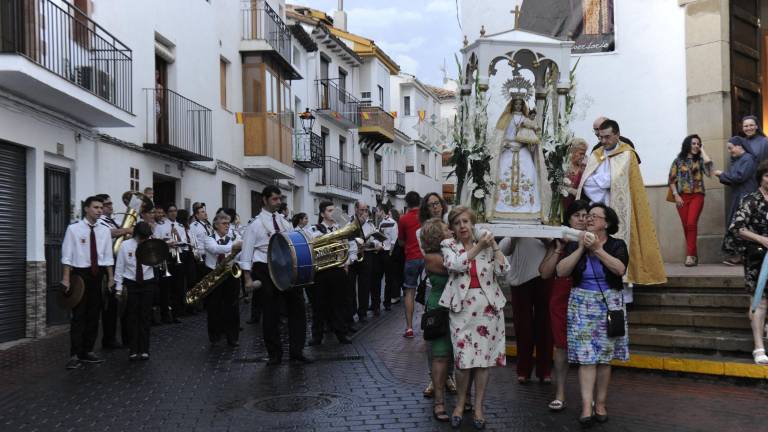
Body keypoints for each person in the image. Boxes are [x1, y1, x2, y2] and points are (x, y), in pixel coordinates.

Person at [556, 203, 629, 426]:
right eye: (588, 217)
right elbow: (561, 271)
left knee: (604, 358)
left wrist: (597, 249)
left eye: (594, 217)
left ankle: (601, 403)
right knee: (586, 358)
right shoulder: (576, 243)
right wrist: (580, 249)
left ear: (606, 223)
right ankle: (586, 407)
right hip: (581, 303)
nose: (589, 220)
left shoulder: (617, 244)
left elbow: (620, 269)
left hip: (608, 304)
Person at [439, 206, 509, 430]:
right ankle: (460, 405)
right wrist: (479, 247)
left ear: (473, 224)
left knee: (483, 362)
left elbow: (504, 271)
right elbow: (455, 264)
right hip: (461, 308)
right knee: (462, 361)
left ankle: (478, 407)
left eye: (466, 222)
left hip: (488, 308)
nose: (462, 226)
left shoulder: (487, 246)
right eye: (458, 223)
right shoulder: (448, 246)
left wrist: (494, 245)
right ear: (453, 228)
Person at [577, 119, 666, 289]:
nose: (603, 141)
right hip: (600, 209)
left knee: (619, 248)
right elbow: (587, 182)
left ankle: (626, 294)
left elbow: (616, 179)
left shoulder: (627, 154)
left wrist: (604, 183)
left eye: (607, 137)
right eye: (601, 137)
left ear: (617, 135)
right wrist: (605, 186)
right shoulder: (597, 155)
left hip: (622, 211)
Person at [240, 186, 312, 364]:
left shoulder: (285, 222)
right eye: (275, 199)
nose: (279, 202)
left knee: (297, 308)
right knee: (271, 313)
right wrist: (248, 279)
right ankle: (274, 354)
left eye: (280, 199)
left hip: (286, 268)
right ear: (264, 200)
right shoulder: (254, 225)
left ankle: (297, 352)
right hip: (264, 268)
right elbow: (246, 253)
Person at [538, 200, 590, 412]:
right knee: (560, 346)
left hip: (587, 294)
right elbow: (544, 272)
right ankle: (560, 392)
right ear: (568, 219)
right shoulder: (560, 241)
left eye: (586, 215)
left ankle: (589, 398)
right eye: (577, 215)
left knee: (588, 346)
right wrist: (558, 249)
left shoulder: (593, 240)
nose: (582, 219)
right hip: (561, 295)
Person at [61, 196, 114, 369]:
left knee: (94, 315)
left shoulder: (105, 230)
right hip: (80, 276)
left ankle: (88, 351)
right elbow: (67, 256)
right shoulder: (73, 229)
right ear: (86, 209)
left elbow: (107, 257)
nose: (99, 210)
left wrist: (111, 279)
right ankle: (75, 355)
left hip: (97, 276)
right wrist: (66, 278)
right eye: (96, 207)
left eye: (101, 207)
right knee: (79, 316)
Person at [728, 160, 768, 364]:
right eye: (767, 175)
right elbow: (738, 227)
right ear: (761, 177)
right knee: (759, 300)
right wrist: (761, 239)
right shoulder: (750, 199)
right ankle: (759, 346)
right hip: (757, 257)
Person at [417, 193, 455, 398]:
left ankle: (449, 377)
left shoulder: (450, 228)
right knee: (435, 341)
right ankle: (434, 379)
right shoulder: (425, 233)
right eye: (431, 205)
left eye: (437, 203)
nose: (435, 207)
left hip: (453, 299)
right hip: (436, 293)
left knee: (451, 342)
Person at [499, 234, 551, 384]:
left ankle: (544, 370)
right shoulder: (516, 227)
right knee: (523, 326)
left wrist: (545, 240)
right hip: (520, 279)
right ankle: (523, 369)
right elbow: (503, 249)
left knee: (545, 326)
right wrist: (514, 237)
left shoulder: (546, 226)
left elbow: (557, 248)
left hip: (545, 276)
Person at [491, 96, 549, 220]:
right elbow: (499, 139)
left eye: (520, 104)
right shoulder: (506, 119)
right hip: (508, 151)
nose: (517, 106)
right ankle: (501, 208)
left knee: (529, 175)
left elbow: (531, 138)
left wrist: (531, 142)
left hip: (523, 152)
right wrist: (505, 145)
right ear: (512, 105)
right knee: (502, 175)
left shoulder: (526, 119)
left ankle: (528, 209)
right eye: (515, 104)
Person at [420, 218, 454, 423]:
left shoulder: (454, 250)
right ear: (436, 235)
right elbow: (457, 268)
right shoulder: (432, 257)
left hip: (458, 309)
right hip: (440, 310)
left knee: (458, 358)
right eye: (446, 229)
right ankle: (439, 402)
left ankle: (464, 400)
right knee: (439, 356)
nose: (451, 231)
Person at [306, 201, 354, 346]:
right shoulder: (313, 230)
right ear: (322, 214)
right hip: (321, 272)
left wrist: (347, 264)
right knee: (319, 305)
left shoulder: (341, 227)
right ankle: (317, 336)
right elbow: (311, 249)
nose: (333, 213)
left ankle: (341, 333)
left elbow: (349, 246)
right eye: (329, 210)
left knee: (339, 303)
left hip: (338, 270)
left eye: (334, 210)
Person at [668, 134, 713, 266]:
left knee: (691, 223)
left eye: (698, 144)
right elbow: (671, 179)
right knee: (686, 226)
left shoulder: (700, 160)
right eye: (693, 143)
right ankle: (693, 254)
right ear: (687, 144)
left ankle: (690, 256)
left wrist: (703, 150)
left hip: (697, 195)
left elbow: (709, 172)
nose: (696, 146)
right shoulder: (678, 160)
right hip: (681, 196)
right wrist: (676, 195)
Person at [114, 222, 156, 360]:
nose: (144, 240)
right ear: (136, 235)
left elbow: (156, 261)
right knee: (132, 317)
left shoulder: (151, 245)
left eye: (146, 238)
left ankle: (144, 349)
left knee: (145, 316)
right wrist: (118, 288)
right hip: (131, 283)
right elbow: (120, 267)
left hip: (147, 282)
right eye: (142, 238)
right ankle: (133, 349)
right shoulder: (126, 246)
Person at [716, 136, 758, 266]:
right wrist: (723, 176)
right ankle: (739, 256)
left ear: (739, 146)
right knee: (739, 225)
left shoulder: (748, 159)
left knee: (740, 226)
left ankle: (741, 256)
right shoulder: (739, 160)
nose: (730, 151)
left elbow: (739, 177)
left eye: (731, 148)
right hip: (739, 196)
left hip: (745, 197)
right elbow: (733, 179)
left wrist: (722, 174)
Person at [96, 193, 130, 349]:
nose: (111, 206)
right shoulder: (100, 222)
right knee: (108, 305)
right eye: (107, 204)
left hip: (118, 264)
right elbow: (110, 234)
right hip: (104, 268)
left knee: (116, 304)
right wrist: (127, 230)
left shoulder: (114, 221)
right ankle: (108, 340)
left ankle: (114, 337)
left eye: (110, 203)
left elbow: (122, 233)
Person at [203, 213, 242, 347]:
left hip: (231, 273)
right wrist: (234, 247)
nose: (227, 226)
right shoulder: (209, 238)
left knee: (232, 306)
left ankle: (233, 337)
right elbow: (215, 249)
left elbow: (241, 253)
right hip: (213, 273)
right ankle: (215, 336)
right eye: (224, 223)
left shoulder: (234, 237)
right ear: (216, 225)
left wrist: (237, 248)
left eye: (228, 223)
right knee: (214, 306)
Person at [154, 203, 194, 318]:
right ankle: (165, 314)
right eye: (171, 211)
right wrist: (167, 243)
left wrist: (178, 238)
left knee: (178, 286)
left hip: (178, 257)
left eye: (175, 211)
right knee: (166, 287)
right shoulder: (160, 225)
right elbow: (156, 240)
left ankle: (177, 312)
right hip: (166, 257)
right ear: (167, 213)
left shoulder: (180, 226)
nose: (173, 213)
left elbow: (185, 243)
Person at [398, 191, 423, 338]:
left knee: (409, 292)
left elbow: (401, 241)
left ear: (407, 203)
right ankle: (429, 324)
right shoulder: (426, 217)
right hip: (426, 257)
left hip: (411, 258)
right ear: (419, 202)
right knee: (427, 290)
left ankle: (409, 328)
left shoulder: (403, 219)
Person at [349, 201, 377, 322]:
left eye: (366, 210)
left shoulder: (370, 225)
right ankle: (352, 310)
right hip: (352, 257)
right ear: (355, 209)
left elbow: (377, 240)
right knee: (350, 286)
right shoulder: (349, 222)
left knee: (364, 285)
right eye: (362, 210)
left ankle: (363, 312)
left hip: (366, 255)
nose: (364, 213)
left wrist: (371, 243)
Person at [375, 205, 399, 312]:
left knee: (388, 279)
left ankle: (387, 302)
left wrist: (390, 253)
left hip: (387, 253)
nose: (376, 213)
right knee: (377, 279)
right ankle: (376, 303)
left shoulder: (392, 222)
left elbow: (394, 240)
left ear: (382, 211)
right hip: (378, 252)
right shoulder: (377, 222)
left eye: (377, 211)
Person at [190, 202, 214, 281]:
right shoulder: (194, 226)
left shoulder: (208, 226)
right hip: (201, 258)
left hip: (210, 257)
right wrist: (197, 256)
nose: (205, 213)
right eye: (202, 212)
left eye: (204, 211)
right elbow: (193, 242)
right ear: (197, 215)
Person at [563, 138, 588, 209]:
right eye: (581, 154)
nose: (583, 157)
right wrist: (571, 190)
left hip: (577, 205)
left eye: (584, 154)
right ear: (572, 151)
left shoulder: (583, 167)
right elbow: (557, 185)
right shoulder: (564, 165)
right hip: (562, 204)